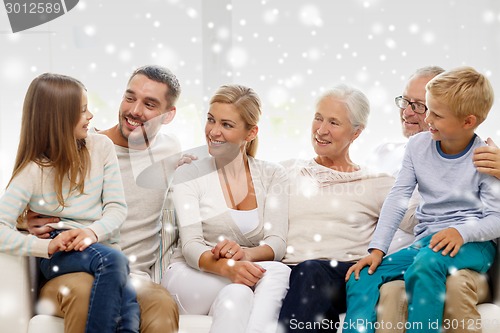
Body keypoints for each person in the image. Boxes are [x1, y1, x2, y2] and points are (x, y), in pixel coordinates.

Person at [344, 66, 500, 333]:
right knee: (361, 277)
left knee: (425, 267)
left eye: (437, 114)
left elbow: (496, 218)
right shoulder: (417, 147)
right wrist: (377, 250)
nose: (428, 119)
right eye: (428, 109)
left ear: (468, 122)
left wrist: (460, 232)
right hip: (427, 243)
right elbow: (398, 197)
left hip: (473, 244)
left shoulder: (484, 157)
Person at [27, 65, 181, 333]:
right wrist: (25, 218)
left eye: (150, 104)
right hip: (71, 274)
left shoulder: (171, 151)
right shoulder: (83, 145)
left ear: (168, 116)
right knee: (86, 293)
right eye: (130, 97)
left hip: (132, 277)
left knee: (161, 303)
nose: (134, 110)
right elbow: (26, 183)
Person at [0, 73, 139, 333]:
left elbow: (117, 208)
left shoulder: (101, 147)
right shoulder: (33, 171)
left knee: (123, 281)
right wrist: (44, 245)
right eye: (83, 110)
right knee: (115, 261)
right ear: (58, 120)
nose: (91, 116)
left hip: (97, 244)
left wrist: (91, 232)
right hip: (61, 249)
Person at [276, 83, 416, 333]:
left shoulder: (377, 182)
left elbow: (421, 219)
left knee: (310, 271)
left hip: (341, 274)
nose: (321, 130)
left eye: (333, 122)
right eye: (318, 118)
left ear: (356, 133)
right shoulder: (285, 171)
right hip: (287, 272)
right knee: (302, 275)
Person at [162, 84, 291, 333]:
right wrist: (227, 267)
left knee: (248, 289)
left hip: (239, 275)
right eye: (211, 120)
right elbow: (191, 246)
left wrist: (243, 255)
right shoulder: (190, 172)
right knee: (255, 281)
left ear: (250, 133)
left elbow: (277, 242)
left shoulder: (273, 174)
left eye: (227, 125)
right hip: (189, 276)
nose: (214, 131)